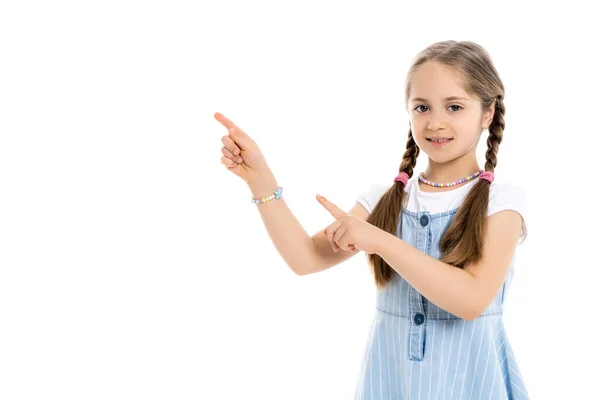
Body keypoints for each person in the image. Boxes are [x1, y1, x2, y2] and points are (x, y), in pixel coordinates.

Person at [216, 40, 529, 400]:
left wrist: (379, 240)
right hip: (390, 383)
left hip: (471, 384)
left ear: (487, 113)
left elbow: (472, 300)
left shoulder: (501, 202)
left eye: (455, 106)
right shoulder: (385, 199)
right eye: (422, 107)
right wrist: (260, 178)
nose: (436, 122)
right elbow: (306, 258)